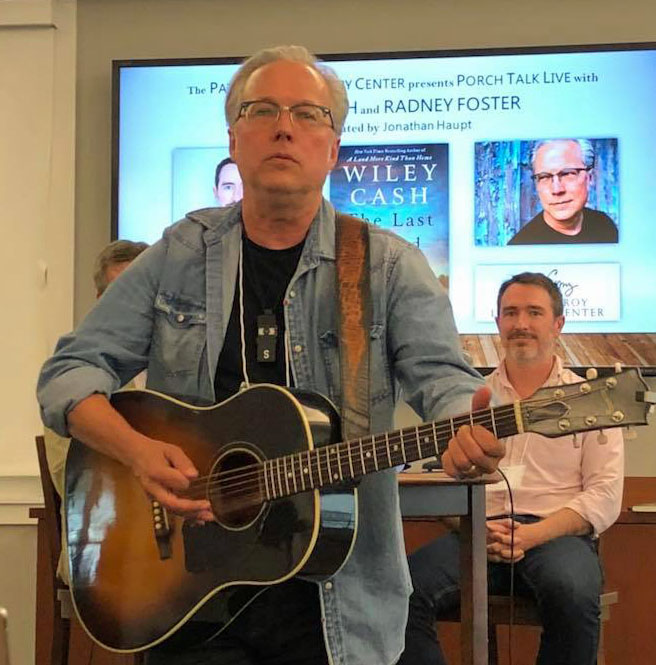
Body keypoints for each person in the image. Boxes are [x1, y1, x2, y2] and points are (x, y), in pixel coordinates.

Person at [37, 45, 505, 665]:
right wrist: (139, 453)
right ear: (233, 137)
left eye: (309, 114)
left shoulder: (388, 265)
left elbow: (442, 380)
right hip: (188, 596)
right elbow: (66, 375)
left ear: (334, 149)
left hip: (336, 604)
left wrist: (464, 424)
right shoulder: (180, 252)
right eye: (262, 110)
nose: (285, 126)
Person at [399, 272, 623, 665]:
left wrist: (532, 534)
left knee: (572, 591)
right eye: (510, 313)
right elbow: (442, 480)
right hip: (475, 533)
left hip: (554, 535)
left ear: (559, 324)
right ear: (498, 323)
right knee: (400, 591)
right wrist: (472, 527)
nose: (521, 323)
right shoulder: (465, 399)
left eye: (534, 312)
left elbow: (604, 497)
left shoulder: (593, 401)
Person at [43, 238, 149, 581]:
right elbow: (70, 477)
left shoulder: (180, 369)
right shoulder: (79, 378)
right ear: (102, 303)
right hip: (105, 549)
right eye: (123, 295)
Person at [508, 139, 618, 244]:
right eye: (544, 177)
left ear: (590, 177)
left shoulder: (604, 224)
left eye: (567, 174)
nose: (557, 189)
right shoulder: (520, 247)